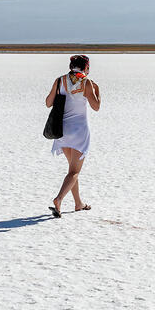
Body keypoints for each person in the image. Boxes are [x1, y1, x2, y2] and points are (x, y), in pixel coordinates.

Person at [45, 54, 101, 218]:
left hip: (62, 131)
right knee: (74, 172)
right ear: (86, 67)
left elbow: (48, 103)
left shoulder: (60, 80)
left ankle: (78, 204)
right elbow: (96, 106)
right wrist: (98, 92)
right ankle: (59, 199)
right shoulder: (87, 82)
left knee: (72, 170)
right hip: (79, 131)